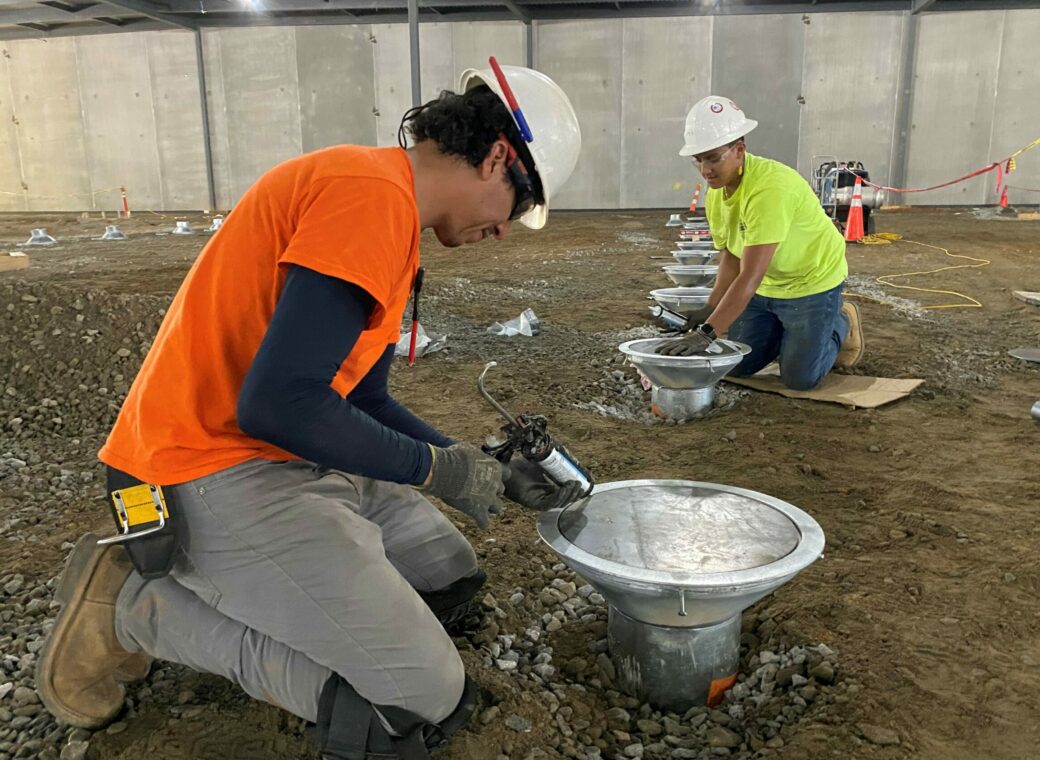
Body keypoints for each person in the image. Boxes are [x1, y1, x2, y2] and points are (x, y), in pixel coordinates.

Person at [35, 61, 583, 760]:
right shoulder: (367, 198)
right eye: (520, 204)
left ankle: (293, 584)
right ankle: (136, 611)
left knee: (449, 577)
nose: (508, 230)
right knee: (420, 701)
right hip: (208, 465)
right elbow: (279, 404)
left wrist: (476, 467)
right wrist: (434, 472)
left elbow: (362, 398)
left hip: (289, 451)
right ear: (499, 156)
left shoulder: (389, 210)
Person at [657, 95, 863, 390]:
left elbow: (749, 276)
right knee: (737, 365)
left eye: (714, 157)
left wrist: (707, 334)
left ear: (739, 150)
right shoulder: (718, 191)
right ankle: (790, 334)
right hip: (766, 285)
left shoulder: (769, 190)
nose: (705, 170)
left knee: (799, 378)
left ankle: (840, 321)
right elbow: (731, 256)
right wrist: (710, 308)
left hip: (809, 282)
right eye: (698, 159)